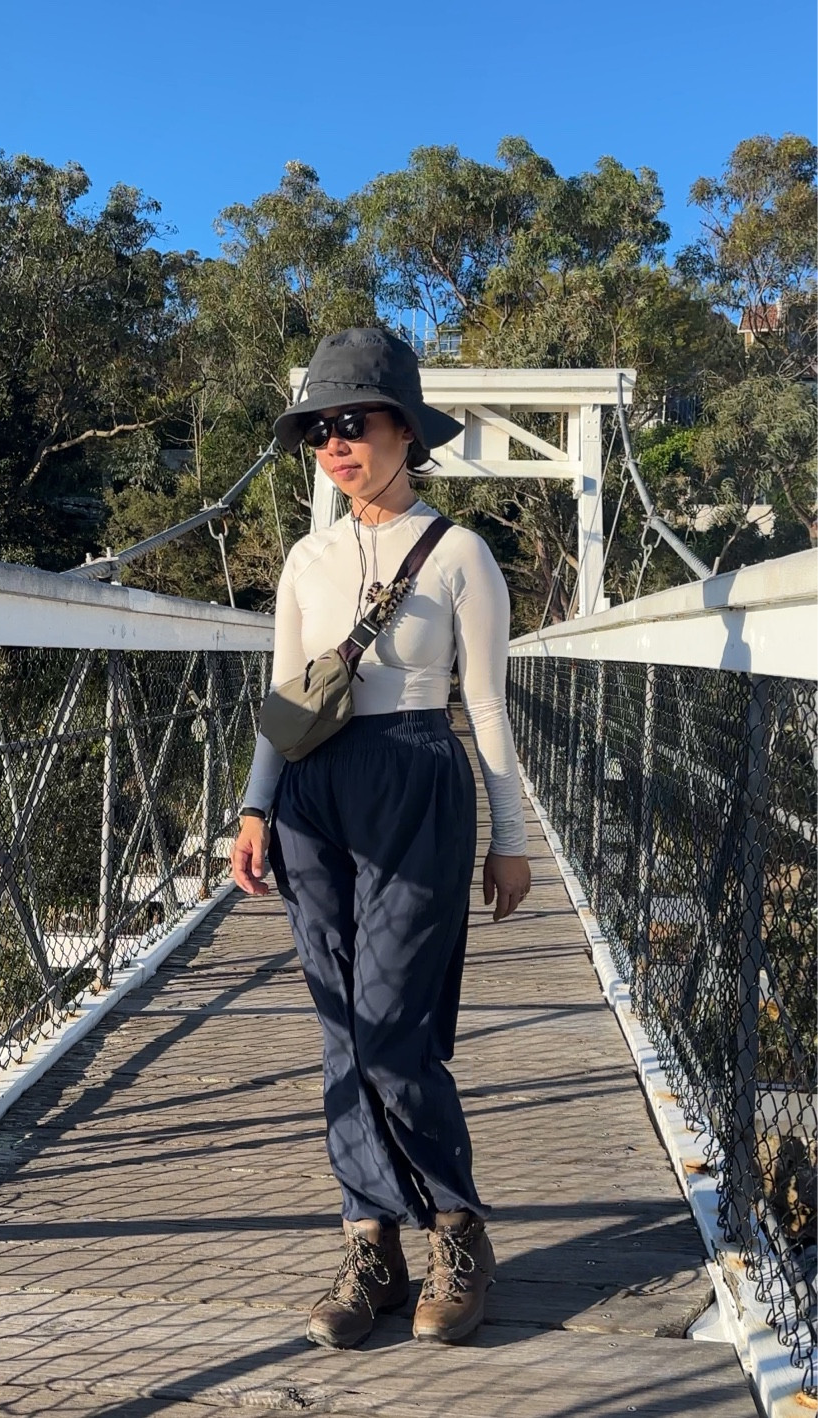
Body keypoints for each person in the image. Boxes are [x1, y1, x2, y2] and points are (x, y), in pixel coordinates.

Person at [230, 327, 531, 1350]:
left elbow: (486, 703)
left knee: (392, 1025)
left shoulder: (460, 554)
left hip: (418, 781)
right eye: (319, 428)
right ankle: (371, 1238)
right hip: (312, 791)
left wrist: (512, 834)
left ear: (408, 428)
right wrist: (254, 805)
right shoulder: (307, 558)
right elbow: (283, 694)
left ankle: (456, 1222)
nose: (335, 443)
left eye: (354, 422)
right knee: (338, 1025)